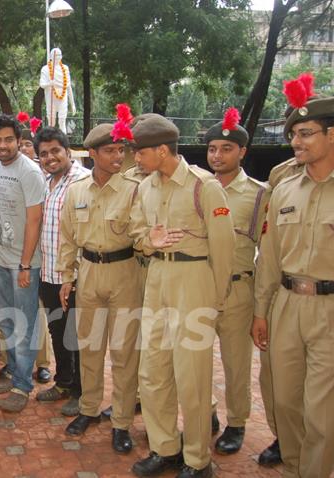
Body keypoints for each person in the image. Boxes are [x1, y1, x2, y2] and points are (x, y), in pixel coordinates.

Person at [128, 114, 234, 478]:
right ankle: (164, 448)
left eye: (140, 152)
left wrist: (216, 300)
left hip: (194, 279)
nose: (135, 159)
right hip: (157, 276)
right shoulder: (145, 187)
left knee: (192, 376)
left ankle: (196, 459)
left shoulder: (204, 186)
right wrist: (148, 242)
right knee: (153, 371)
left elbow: (225, 247)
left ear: (162, 149)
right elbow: (137, 234)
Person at [252, 93, 334, 478]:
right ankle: (297, 467)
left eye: (305, 134)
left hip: (329, 310)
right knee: (284, 401)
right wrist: (260, 311)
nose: (296, 143)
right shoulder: (284, 189)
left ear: (332, 135)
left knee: (322, 411)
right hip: (286, 304)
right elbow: (268, 258)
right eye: (293, 136)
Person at [57, 123, 142, 454]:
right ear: (92, 154)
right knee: (90, 348)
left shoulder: (134, 189)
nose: (117, 156)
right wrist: (67, 276)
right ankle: (88, 409)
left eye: (121, 150)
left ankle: (121, 422)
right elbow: (68, 238)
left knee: (124, 352)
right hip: (89, 272)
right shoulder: (77, 191)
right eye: (109, 151)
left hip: (125, 272)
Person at [203, 110, 270, 456]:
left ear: (242, 152)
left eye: (226, 148)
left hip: (238, 287)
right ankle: (208, 411)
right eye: (213, 148)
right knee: (196, 357)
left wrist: (262, 306)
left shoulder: (259, 194)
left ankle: (238, 422)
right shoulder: (198, 188)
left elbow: (266, 251)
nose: (217, 156)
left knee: (235, 362)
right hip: (200, 286)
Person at [0, 114, 46, 413]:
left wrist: (24, 265)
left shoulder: (30, 172)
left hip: (24, 263)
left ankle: (23, 386)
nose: (3, 145)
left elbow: (34, 220)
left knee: (26, 322)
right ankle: (11, 371)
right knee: (7, 320)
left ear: (18, 141)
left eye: (8, 139)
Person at [33, 126, 88, 417]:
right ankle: (64, 381)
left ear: (68, 151)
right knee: (57, 331)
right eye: (43, 153)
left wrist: (74, 275)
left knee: (76, 335)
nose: (50, 157)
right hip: (48, 272)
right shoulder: (43, 181)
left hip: (73, 275)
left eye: (55, 150)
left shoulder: (83, 181)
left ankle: (82, 391)